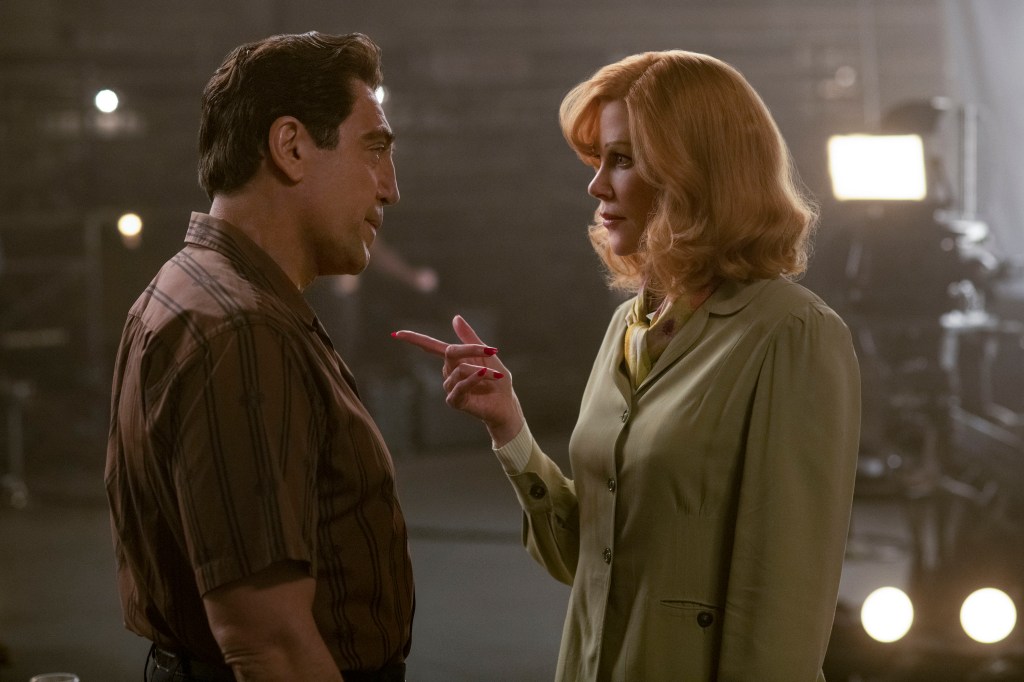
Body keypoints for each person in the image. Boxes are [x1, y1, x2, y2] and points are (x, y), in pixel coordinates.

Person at [394, 50, 860, 681]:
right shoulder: (626, 327)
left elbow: (782, 609)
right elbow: (587, 560)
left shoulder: (792, 334)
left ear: (694, 171)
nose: (596, 186)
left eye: (621, 159)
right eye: (598, 161)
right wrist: (509, 427)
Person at [104, 31, 413, 682]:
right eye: (374, 149)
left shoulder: (187, 289)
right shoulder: (241, 331)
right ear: (291, 146)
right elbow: (269, 644)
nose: (390, 187)